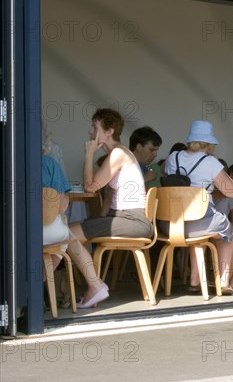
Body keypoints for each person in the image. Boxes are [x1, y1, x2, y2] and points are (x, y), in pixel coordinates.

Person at [68, 108, 152, 309]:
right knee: (65, 233)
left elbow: (90, 187)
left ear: (109, 132)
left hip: (133, 221)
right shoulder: (118, 154)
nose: (90, 132)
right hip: (125, 219)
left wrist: (89, 154)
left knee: (66, 233)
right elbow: (93, 188)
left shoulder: (118, 154)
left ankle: (94, 286)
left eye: (94, 127)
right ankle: (56, 290)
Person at [159, 120, 233, 294]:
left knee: (202, 225)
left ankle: (195, 279)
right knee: (226, 227)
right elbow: (232, 192)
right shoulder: (210, 162)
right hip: (196, 225)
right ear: (209, 143)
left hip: (169, 224)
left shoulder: (172, 157)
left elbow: (165, 174)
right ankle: (224, 281)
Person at [42, 137, 72, 269]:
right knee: (64, 234)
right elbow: (61, 206)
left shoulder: (8, 161)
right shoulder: (49, 163)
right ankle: (42, 280)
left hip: (13, 231)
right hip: (47, 233)